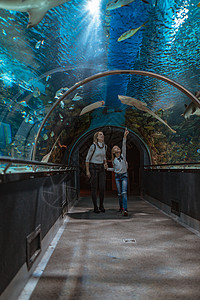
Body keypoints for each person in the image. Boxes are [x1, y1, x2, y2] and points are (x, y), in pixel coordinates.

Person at [106, 128, 129, 216]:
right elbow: (115, 169)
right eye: (115, 148)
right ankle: (121, 208)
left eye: (117, 147)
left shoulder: (123, 156)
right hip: (117, 176)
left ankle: (125, 209)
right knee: (119, 194)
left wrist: (124, 136)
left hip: (124, 176)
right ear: (113, 152)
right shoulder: (114, 160)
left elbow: (124, 145)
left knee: (124, 192)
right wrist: (107, 168)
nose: (117, 148)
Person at [85, 131, 107, 213]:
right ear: (97, 137)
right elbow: (87, 159)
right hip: (93, 167)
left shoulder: (105, 146)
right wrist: (87, 171)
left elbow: (104, 157)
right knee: (94, 188)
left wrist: (105, 164)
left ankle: (101, 205)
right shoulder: (93, 146)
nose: (102, 136)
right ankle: (95, 207)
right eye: (100, 134)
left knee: (102, 187)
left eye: (103, 134)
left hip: (101, 168)